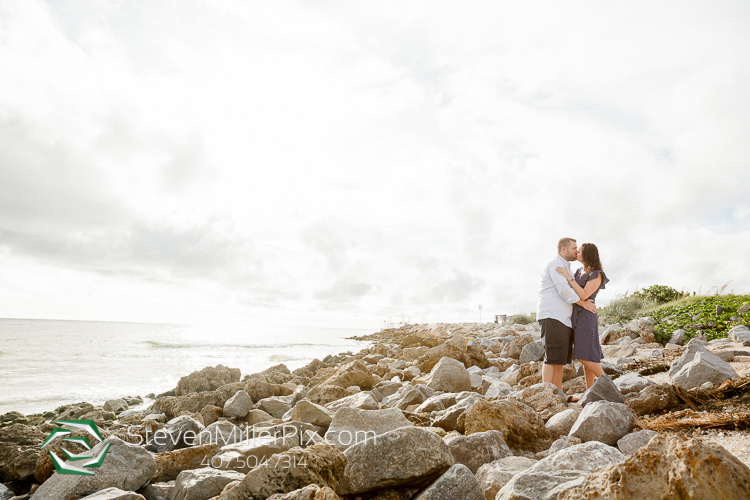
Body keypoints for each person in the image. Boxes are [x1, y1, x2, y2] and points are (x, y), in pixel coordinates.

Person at [536, 238, 597, 393]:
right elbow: (564, 289)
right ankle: (547, 395)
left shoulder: (568, 268)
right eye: (574, 248)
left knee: (559, 360)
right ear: (564, 249)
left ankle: (559, 394)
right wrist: (583, 303)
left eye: (578, 249)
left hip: (563, 318)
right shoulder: (555, 265)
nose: (576, 251)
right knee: (551, 358)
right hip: (552, 315)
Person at [556, 242, 609, 392]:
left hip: (587, 316)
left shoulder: (596, 274)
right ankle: (590, 391)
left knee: (583, 355)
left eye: (579, 251)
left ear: (587, 255)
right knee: (588, 355)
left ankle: (609, 384)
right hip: (576, 315)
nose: (576, 253)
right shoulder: (579, 270)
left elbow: (584, 294)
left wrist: (568, 276)